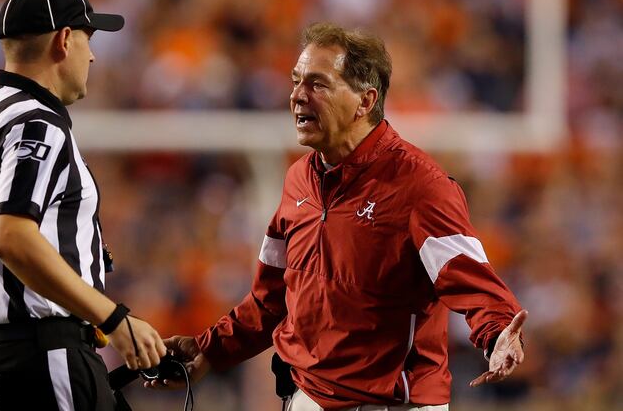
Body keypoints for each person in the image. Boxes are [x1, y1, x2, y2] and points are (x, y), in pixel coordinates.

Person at [155, 22, 527, 411]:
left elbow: (472, 278)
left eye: (317, 84)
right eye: (296, 81)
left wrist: (498, 332)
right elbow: (270, 300)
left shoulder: (420, 185)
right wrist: (207, 350)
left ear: (365, 102)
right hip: (306, 399)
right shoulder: (298, 178)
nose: (298, 96)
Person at [0, 0, 166, 410]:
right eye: (88, 38)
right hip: (45, 360)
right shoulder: (37, 122)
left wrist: (10, 296)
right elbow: (10, 236)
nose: (93, 54)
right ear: (64, 40)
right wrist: (111, 317)